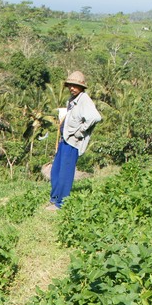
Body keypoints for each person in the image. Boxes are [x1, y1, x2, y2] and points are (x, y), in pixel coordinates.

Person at [47, 70, 102, 211]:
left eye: (75, 86)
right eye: (70, 85)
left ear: (82, 87)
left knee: (65, 172)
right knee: (56, 171)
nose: (72, 88)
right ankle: (54, 199)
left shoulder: (84, 100)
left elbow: (95, 117)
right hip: (64, 140)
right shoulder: (72, 101)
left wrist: (80, 131)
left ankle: (61, 203)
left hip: (72, 142)